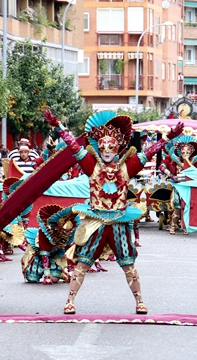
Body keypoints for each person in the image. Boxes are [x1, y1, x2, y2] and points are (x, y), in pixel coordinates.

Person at [43, 109, 183, 315]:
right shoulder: (91, 166)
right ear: (98, 147)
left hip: (118, 222)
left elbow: (149, 152)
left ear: (118, 148)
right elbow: (73, 146)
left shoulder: (127, 167)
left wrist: (167, 138)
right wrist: (59, 127)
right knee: (82, 264)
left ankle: (139, 301)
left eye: (111, 145)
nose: (107, 149)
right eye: (103, 145)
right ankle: (70, 301)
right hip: (96, 223)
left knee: (129, 266)